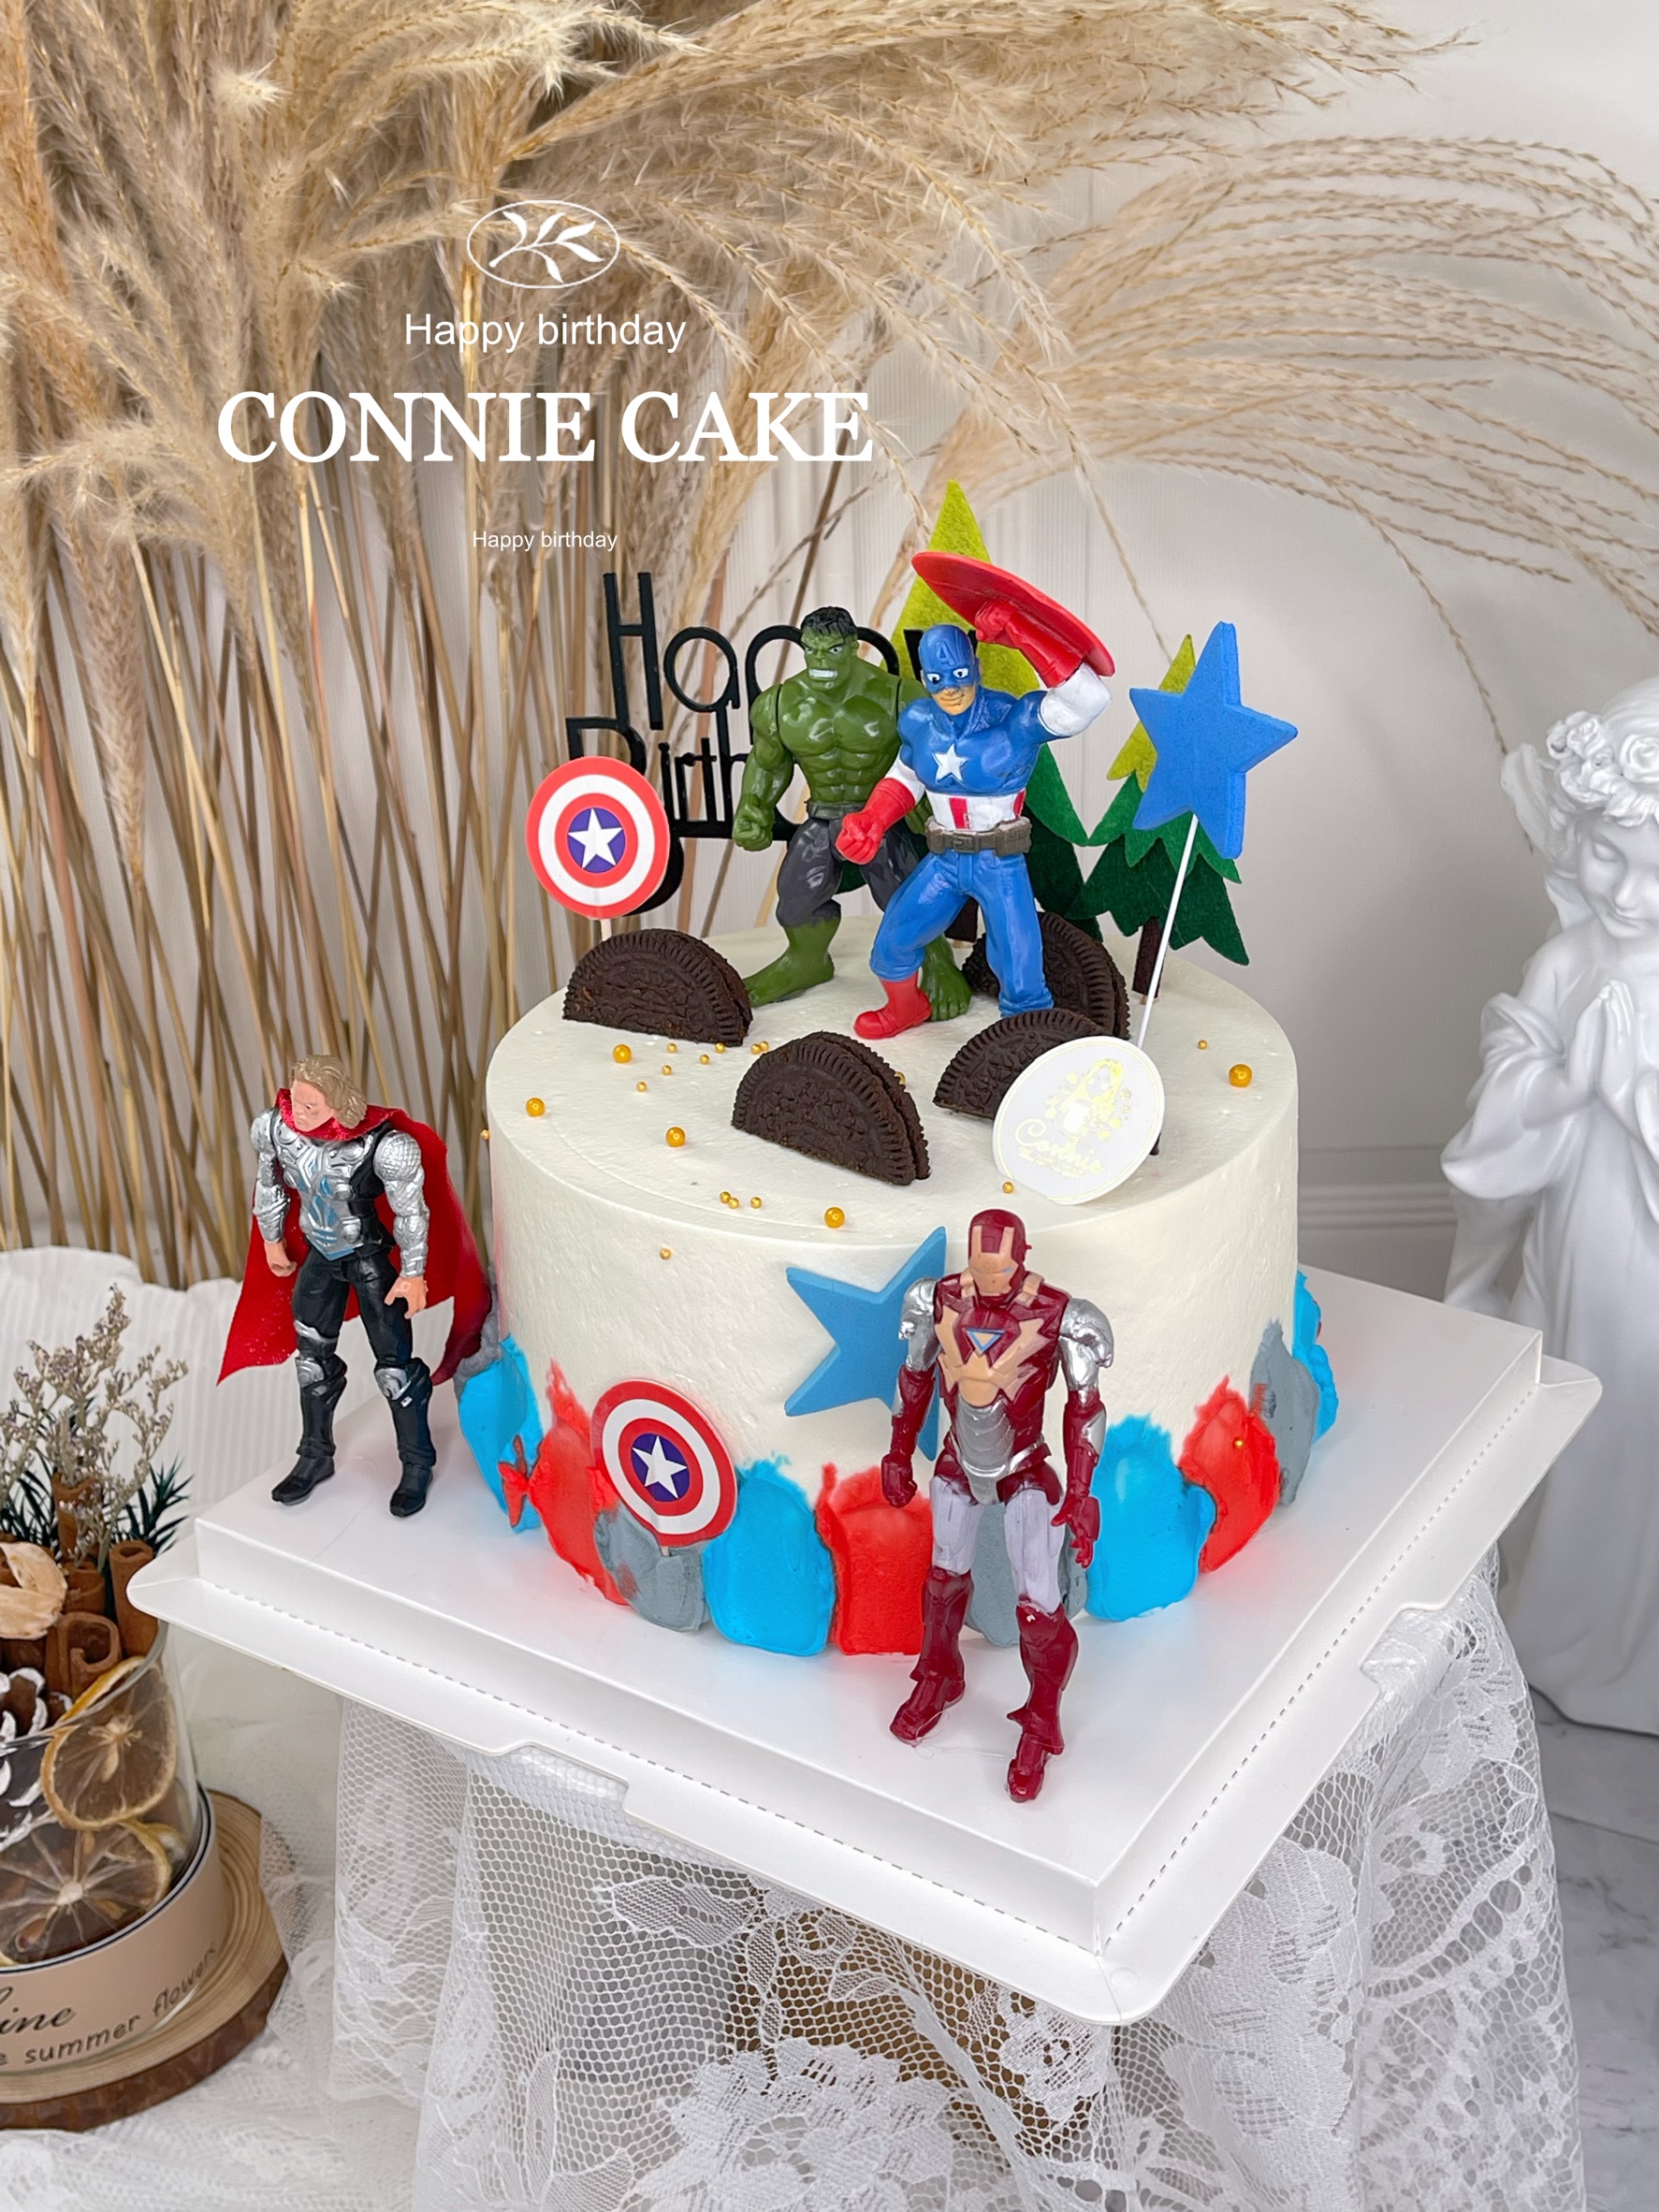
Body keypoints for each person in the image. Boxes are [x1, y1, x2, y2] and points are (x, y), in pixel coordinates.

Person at [1444, 677, 1659, 1730]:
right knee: (1590, 1411)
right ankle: (1562, 1619)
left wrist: (1633, 1092)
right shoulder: (1569, 963)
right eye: (1609, 857)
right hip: (1581, 1234)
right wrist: (1570, 1085)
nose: (1628, 894)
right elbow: (1503, 1100)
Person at [880, 1209, 1112, 1801]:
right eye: (981, 1267)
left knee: (1038, 1601)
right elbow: (914, 1379)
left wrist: (1081, 1492)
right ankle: (940, 1674)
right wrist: (898, 1454)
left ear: (1022, 1258)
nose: (989, 1279)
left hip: (1025, 1464)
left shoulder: (1061, 1315)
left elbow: (1085, 1408)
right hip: (959, 1458)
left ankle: (1042, 1719)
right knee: (943, 1575)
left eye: (1001, 1268)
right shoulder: (938, 1300)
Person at [222, 1054, 488, 1519]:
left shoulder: (384, 1146)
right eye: (296, 1101)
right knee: (311, 1362)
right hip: (320, 1256)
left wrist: (413, 1272)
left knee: (395, 1372)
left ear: (337, 1102)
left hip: (367, 1259)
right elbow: (269, 1183)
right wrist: (271, 1238)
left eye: (310, 1105)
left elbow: (411, 1212)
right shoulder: (277, 1129)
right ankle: (315, 1453)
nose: (298, 1113)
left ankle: (417, 1462)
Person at [837, 605, 1108, 1039]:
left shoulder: (1012, 719)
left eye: (959, 674)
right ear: (924, 678)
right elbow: (904, 776)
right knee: (894, 940)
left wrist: (1022, 631)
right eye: (937, 678)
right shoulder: (919, 721)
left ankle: (1027, 1041)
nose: (950, 688)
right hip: (944, 860)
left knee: (1019, 967)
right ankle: (906, 1007)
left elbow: (1089, 700)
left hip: (999, 862)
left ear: (976, 668)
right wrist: (873, 817)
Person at [731, 605, 968, 1015]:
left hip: (881, 815)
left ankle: (937, 960)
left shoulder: (898, 695)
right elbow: (768, 764)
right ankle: (806, 960)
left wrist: (933, 810)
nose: (820, 660)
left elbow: (935, 755)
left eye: (833, 649)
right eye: (811, 650)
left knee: (907, 893)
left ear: (854, 646)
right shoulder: (781, 704)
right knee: (795, 898)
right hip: (823, 814)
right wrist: (753, 809)